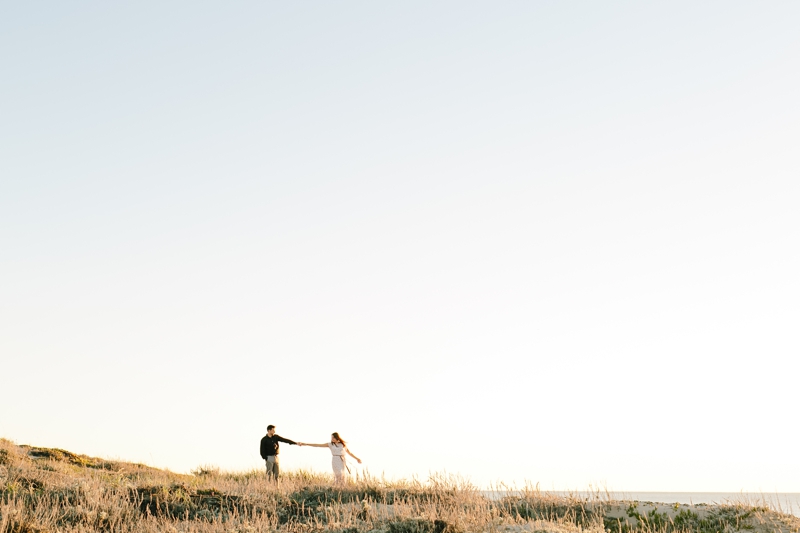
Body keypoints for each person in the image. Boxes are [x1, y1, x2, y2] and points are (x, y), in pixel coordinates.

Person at [297, 432, 362, 483]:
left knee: (342, 475)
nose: (332, 439)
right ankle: (336, 487)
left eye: (333, 438)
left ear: (337, 438)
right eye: (331, 438)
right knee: (338, 474)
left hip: (342, 460)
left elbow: (350, 453)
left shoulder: (342, 445)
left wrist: (357, 458)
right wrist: (304, 443)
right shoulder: (330, 444)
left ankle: (341, 488)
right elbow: (317, 445)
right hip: (335, 460)